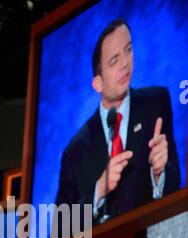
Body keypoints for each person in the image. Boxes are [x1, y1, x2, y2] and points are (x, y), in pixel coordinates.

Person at [55, 18, 181, 225]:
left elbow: (176, 183)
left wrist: (160, 173)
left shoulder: (156, 103)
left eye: (128, 50)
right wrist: (99, 191)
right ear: (98, 84)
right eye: (114, 61)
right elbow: (58, 236)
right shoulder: (75, 151)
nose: (125, 63)